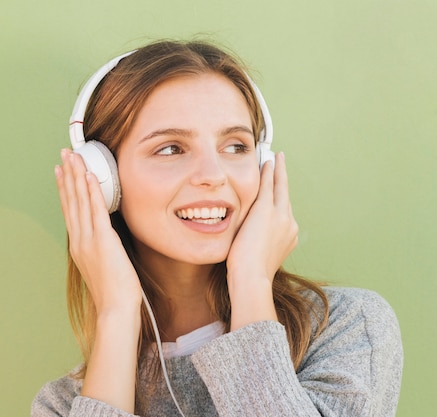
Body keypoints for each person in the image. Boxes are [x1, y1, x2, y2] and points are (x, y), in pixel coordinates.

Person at [32, 39, 403, 417]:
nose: (213, 175)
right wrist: (116, 311)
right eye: (171, 149)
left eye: (236, 146)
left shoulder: (346, 328)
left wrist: (252, 281)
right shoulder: (68, 404)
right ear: (102, 178)